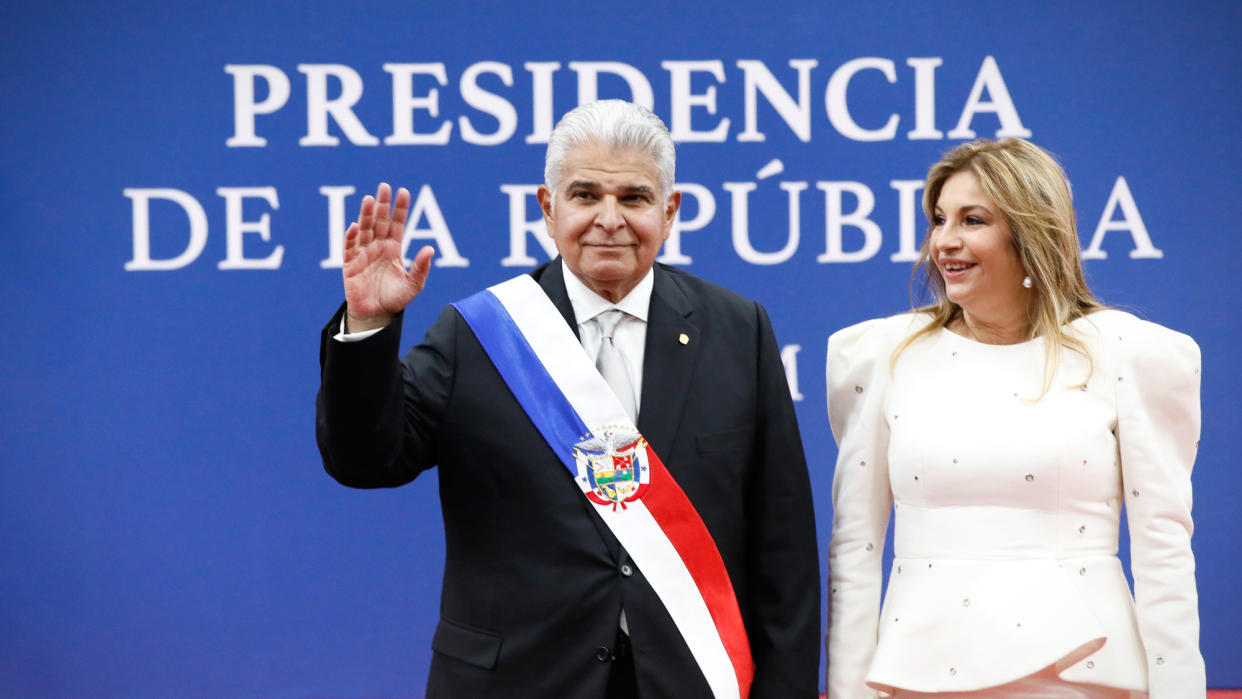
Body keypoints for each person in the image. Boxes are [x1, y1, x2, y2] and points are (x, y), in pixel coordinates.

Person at [316, 99, 820, 698]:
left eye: (633, 197)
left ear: (671, 211)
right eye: (586, 196)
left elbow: (783, 550)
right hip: (520, 680)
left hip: (688, 680)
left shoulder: (738, 330)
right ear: (548, 209)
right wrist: (370, 326)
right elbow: (364, 461)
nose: (610, 219)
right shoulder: (478, 334)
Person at [824, 138, 1204, 698]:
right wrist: (849, 689)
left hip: (1083, 676)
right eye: (938, 220)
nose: (944, 242)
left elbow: (1163, 551)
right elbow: (854, 550)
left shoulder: (1128, 352)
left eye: (972, 220)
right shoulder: (880, 353)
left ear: (1031, 232)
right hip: (918, 676)